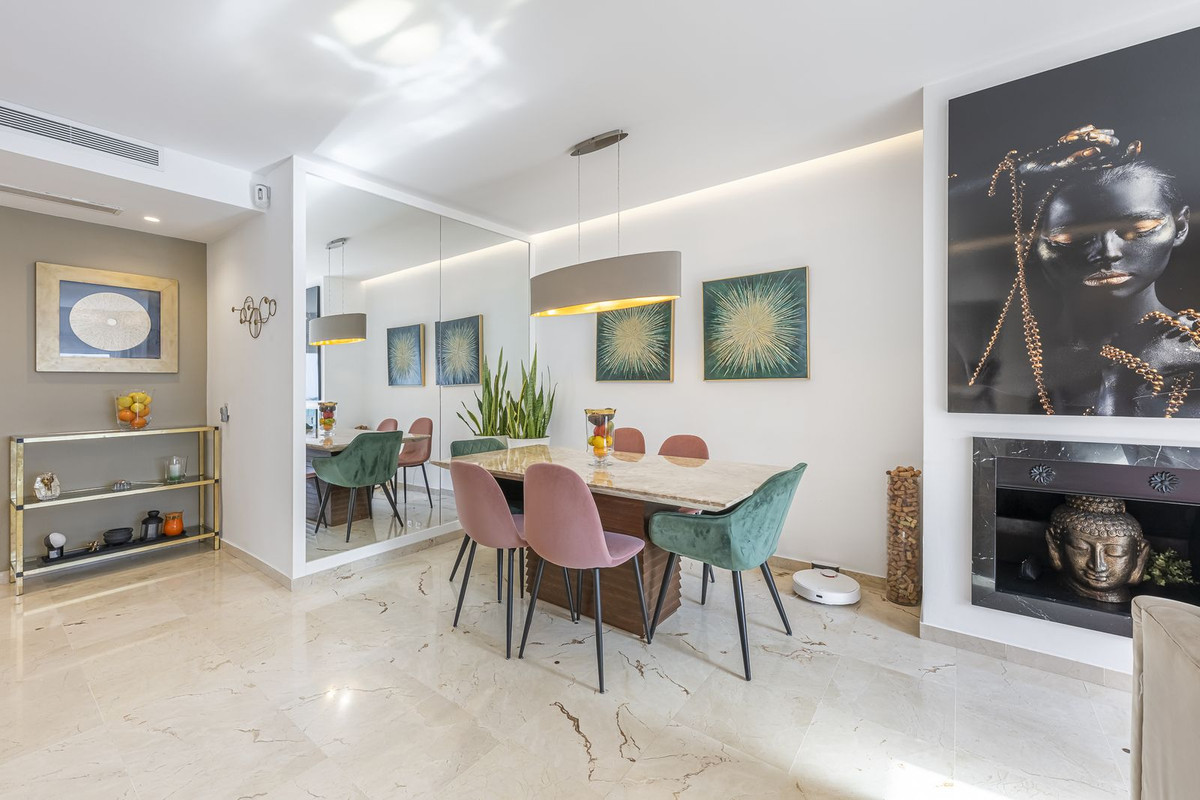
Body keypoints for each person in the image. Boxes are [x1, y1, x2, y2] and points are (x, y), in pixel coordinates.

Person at [968, 125, 1200, 417]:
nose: (1108, 252)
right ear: (1030, 244)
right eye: (1071, 238)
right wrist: (1013, 174)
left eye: (1139, 229)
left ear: (1180, 226)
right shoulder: (989, 351)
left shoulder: (1190, 352)